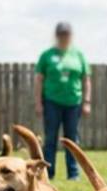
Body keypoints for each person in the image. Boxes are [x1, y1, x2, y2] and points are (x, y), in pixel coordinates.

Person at [34, 21, 91, 180]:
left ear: (71, 36)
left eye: (66, 34)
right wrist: (38, 102)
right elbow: (39, 79)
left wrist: (86, 101)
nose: (64, 37)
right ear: (56, 36)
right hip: (52, 102)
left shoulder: (78, 55)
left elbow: (86, 79)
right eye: (61, 34)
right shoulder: (47, 55)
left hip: (73, 103)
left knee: (72, 139)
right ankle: (48, 173)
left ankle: (73, 174)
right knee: (50, 138)